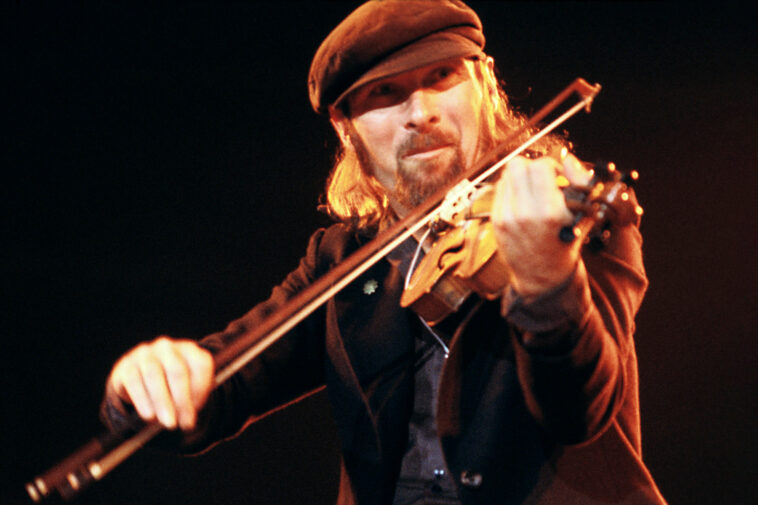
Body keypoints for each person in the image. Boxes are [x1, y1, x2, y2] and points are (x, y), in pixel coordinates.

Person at [101, 1, 666, 504]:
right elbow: (227, 383)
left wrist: (547, 285)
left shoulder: (567, 208)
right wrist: (147, 384)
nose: (419, 112)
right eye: (384, 93)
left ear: (484, 85)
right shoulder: (342, 258)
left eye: (441, 76)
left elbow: (581, 407)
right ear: (347, 128)